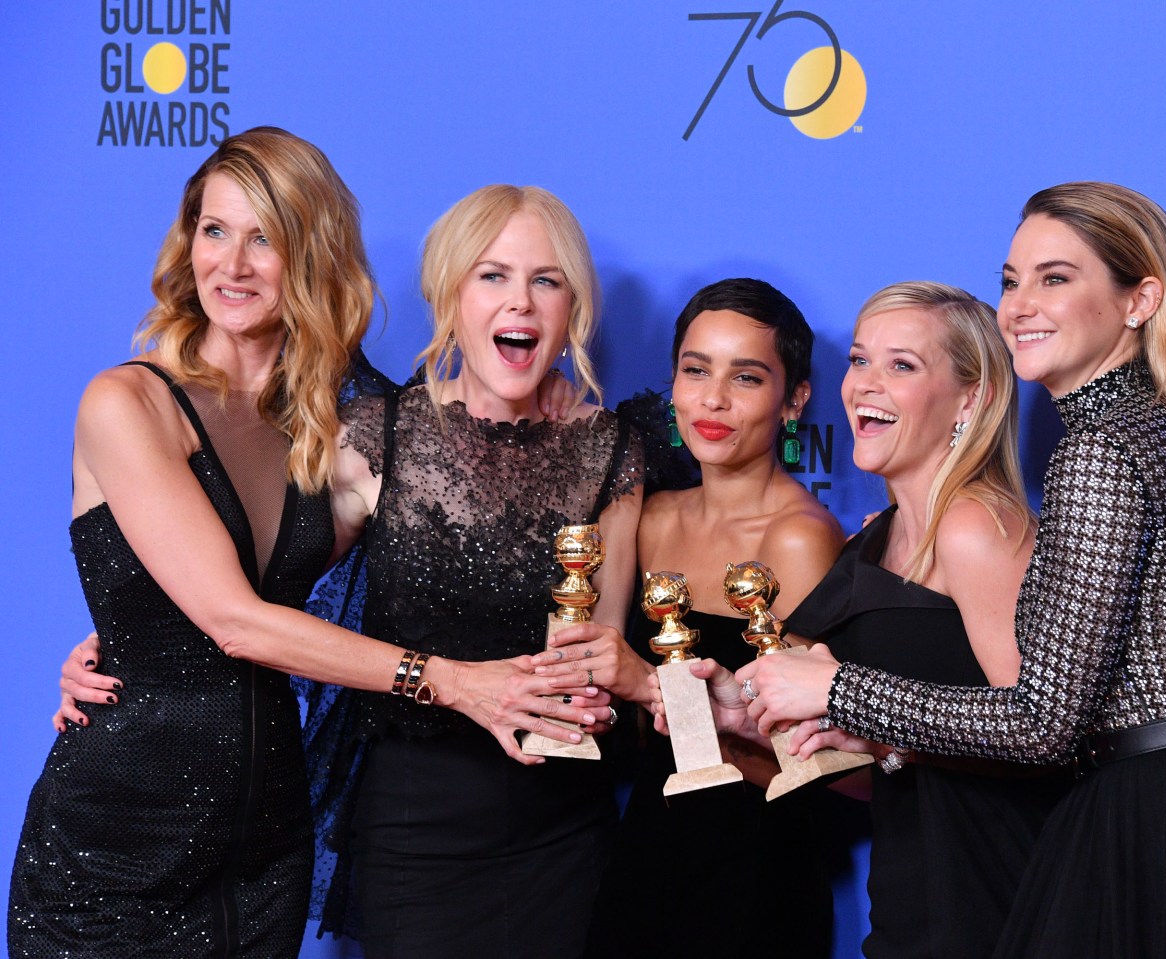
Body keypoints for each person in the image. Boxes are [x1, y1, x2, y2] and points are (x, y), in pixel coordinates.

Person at [741, 183, 1166, 958]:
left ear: (1139, 299)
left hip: (1160, 828)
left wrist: (836, 687)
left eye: (1055, 278)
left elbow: (1042, 725)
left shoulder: (1099, 449)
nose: (1018, 305)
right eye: (1011, 280)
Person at [10, 130, 603, 959]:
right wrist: (452, 684)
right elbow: (233, 618)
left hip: (264, 849)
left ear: (312, 254)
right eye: (214, 231)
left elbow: (472, 536)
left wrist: (564, 428)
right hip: (119, 840)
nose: (234, 263)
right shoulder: (127, 403)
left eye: (266, 238)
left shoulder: (337, 434)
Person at [300, 183, 644, 958]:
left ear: (572, 308)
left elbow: (603, 643)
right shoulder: (377, 434)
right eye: (492, 275)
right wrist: (133, 640)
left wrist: (612, 690)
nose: (520, 301)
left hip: (563, 827)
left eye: (546, 280)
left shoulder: (612, 450)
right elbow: (261, 599)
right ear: (451, 293)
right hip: (415, 827)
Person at [677, 281, 1065, 958]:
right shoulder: (875, 541)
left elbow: (1043, 740)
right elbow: (880, 772)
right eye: (860, 360)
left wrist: (838, 695)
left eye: (902, 365)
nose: (865, 386)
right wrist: (750, 729)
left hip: (1004, 902)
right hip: (912, 907)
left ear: (969, 399)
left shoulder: (977, 526)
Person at [537, 278, 846, 958]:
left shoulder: (800, 538)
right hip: (646, 846)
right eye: (696, 369)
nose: (713, 399)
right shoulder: (652, 517)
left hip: (757, 864)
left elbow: (810, 757)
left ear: (794, 400)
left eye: (747, 376)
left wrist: (646, 679)